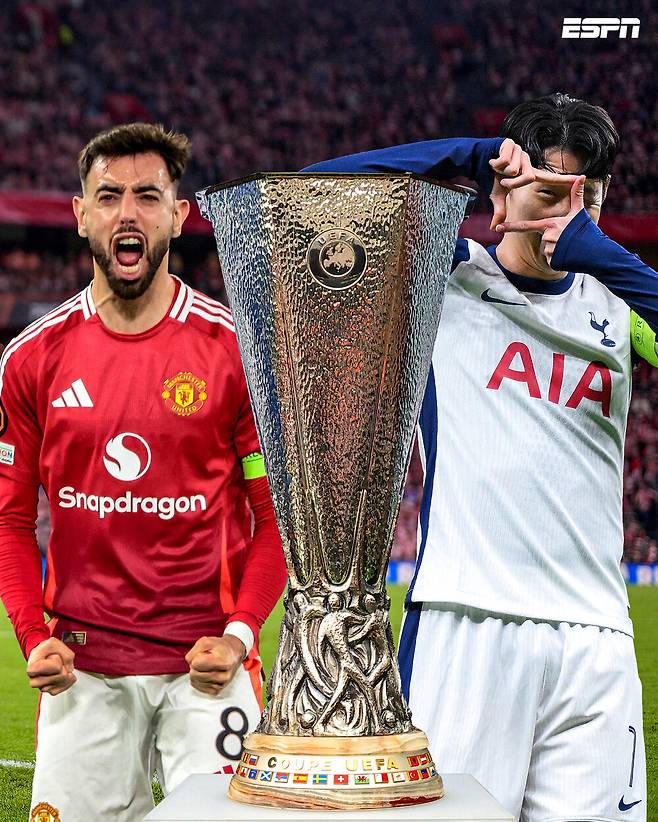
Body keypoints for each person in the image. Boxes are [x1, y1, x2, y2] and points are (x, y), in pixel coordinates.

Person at [304, 93, 658, 821]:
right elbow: (311, 199)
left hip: (597, 636)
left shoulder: (621, 306)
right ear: (506, 186)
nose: (568, 215)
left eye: (586, 197)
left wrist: (597, 252)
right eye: (549, 191)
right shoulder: (447, 277)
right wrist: (469, 155)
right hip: (467, 621)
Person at [0, 123, 288, 821]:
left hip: (207, 668)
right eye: (109, 196)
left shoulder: (234, 353)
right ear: (81, 215)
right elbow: (9, 520)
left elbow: (275, 519)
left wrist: (240, 635)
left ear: (179, 215)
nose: (127, 213)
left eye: (148, 196)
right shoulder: (31, 359)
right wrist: (34, 637)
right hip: (82, 667)